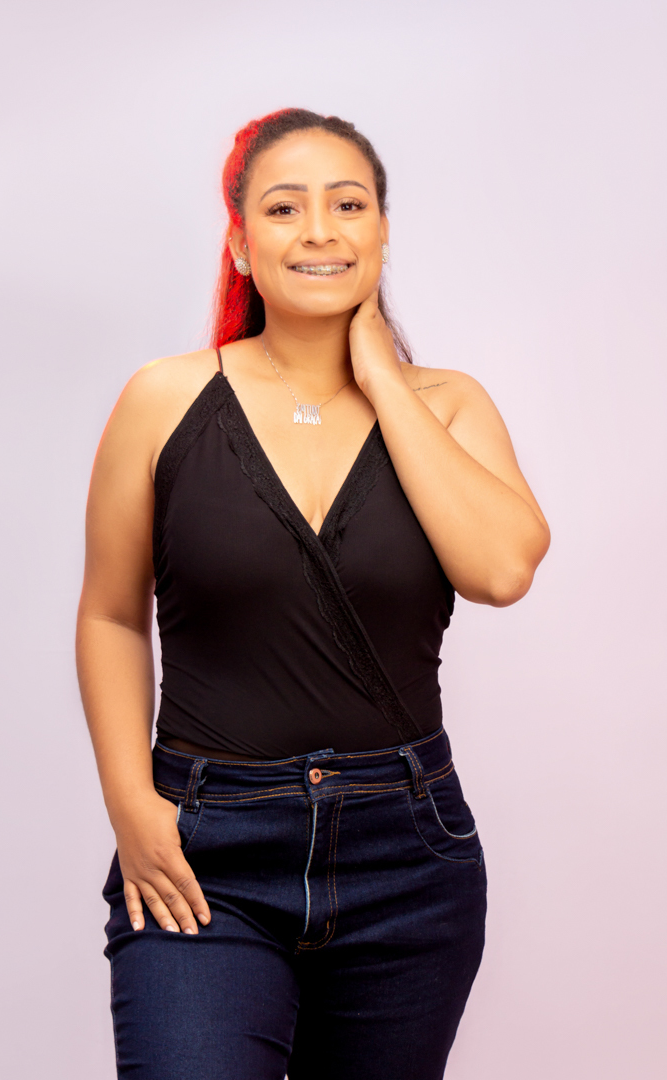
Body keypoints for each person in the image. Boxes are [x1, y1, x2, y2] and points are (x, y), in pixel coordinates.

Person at [76, 107, 550, 1080]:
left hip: (406, 858)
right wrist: (131, 803)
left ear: (383, 232)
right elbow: (112, 614)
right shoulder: (163, 399)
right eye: (284, 208)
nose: (319, 230)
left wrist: (381, 376)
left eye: (349, 205)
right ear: (241, 244)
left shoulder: (448, 405)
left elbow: (501, 570)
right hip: (206, 850)